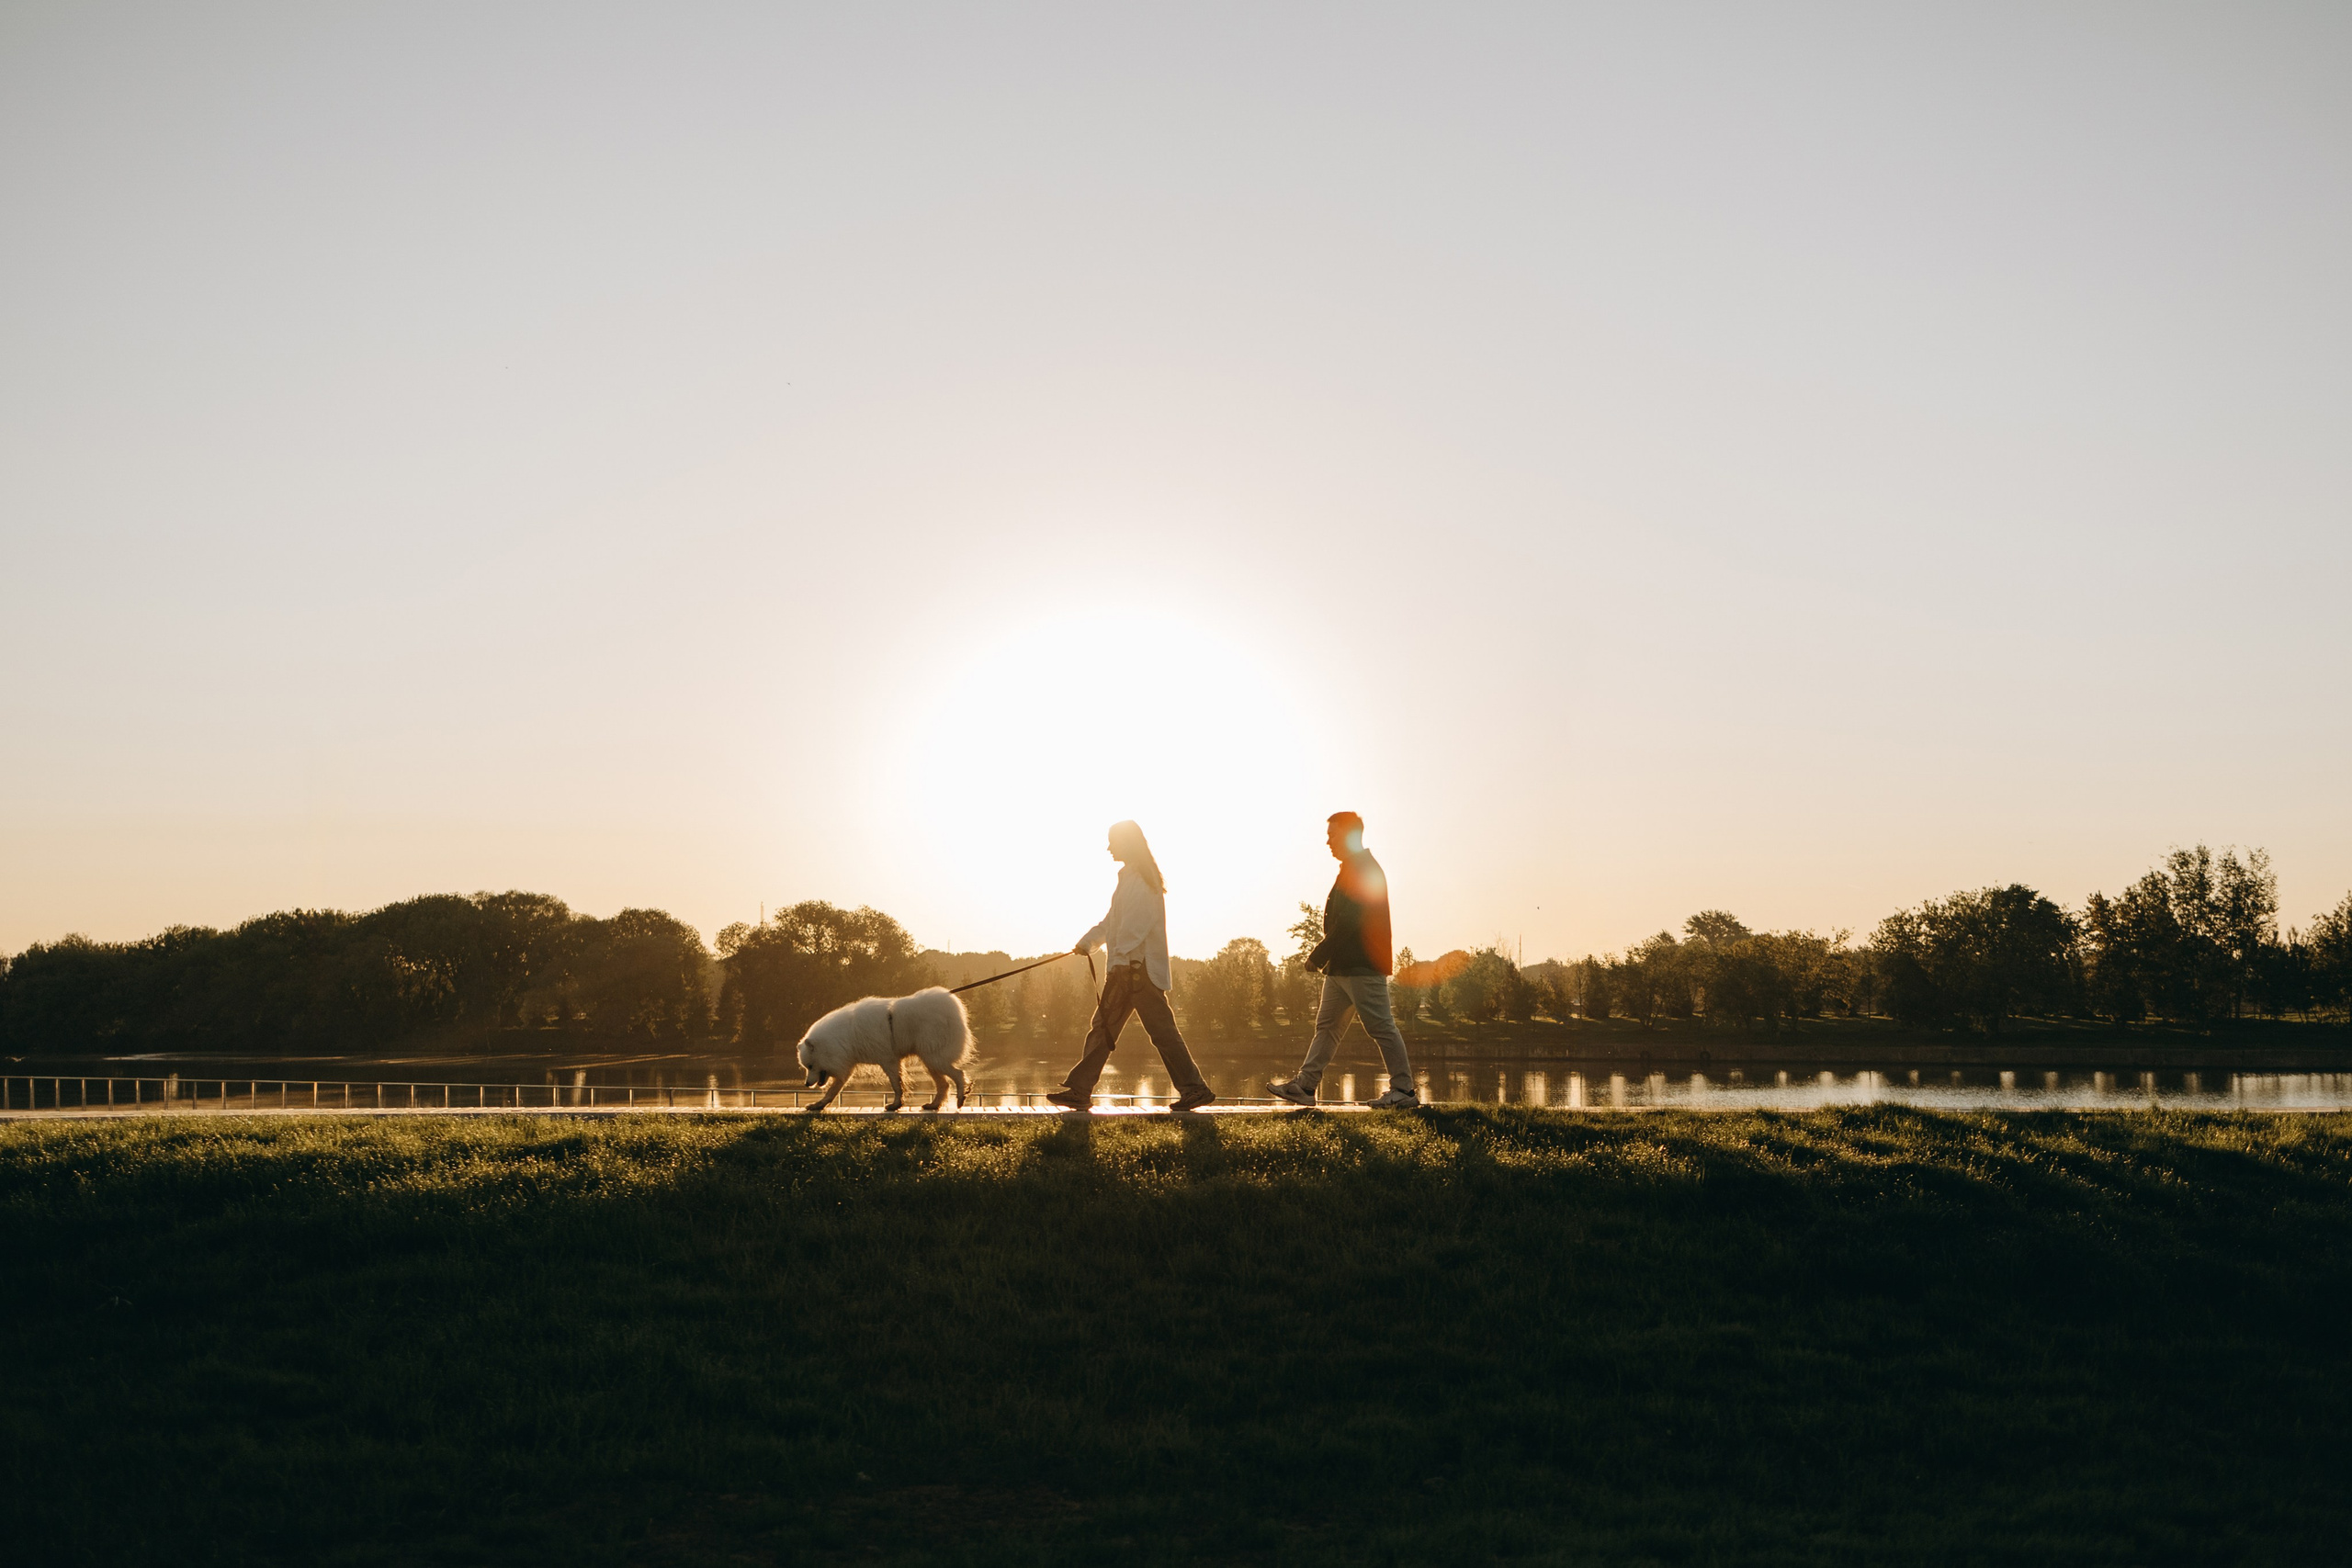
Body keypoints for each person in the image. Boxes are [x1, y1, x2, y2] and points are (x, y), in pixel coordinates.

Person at [1046, 820, 1217, 1114]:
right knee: (1108, 1029)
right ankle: (1081, 1090)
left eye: (1112, 841)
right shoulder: (1131, 878)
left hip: (1136, 972)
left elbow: (1132, 930)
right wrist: (1087, 943)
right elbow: (1112, 923)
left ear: (1127, 843)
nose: (1108, 847)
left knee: (1151, 1032)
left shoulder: (1140, 880)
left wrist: (1117, 966)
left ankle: (1194, 1089)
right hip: (1131, 970)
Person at [1269, 812, 1420, 1109]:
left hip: (1362, 964)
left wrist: (1319, 953)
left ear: (1350, 836)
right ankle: (1306, 1086)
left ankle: (1403, 1091)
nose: (1328, 841)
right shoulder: (1352, 868)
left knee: (1381, 1026)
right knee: (1327, 1026)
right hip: (1341, 967)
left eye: (1332, 835)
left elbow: (1351, 918)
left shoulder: (1363, 869)